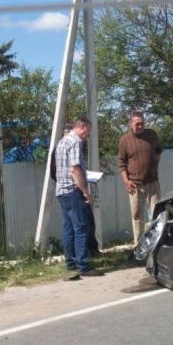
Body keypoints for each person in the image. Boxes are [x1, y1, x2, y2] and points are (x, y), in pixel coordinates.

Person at [55, 116, 103, 278]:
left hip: (61, 190)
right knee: (81, 227)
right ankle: (83, 265)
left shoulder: (62, 142)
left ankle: (71, 263)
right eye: (87, 131)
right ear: (82, 127)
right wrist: (85, 191)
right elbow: (75, 169)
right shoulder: (75, 142)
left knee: (68, 228)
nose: (87, 135)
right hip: (73, 191)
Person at [118, 111, 162, 245]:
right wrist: (126, 181)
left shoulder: (152, 135)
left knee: (157, 214)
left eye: (142, 123)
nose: (140, 126)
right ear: (131, 124)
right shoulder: (125, 140)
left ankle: (156, 243)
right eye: (137, 124)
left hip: (153, 182)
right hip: (134, 184)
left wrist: (154, 165)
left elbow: (159, 151)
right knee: (137, 216)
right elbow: (121, 163)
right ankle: (139, 245)